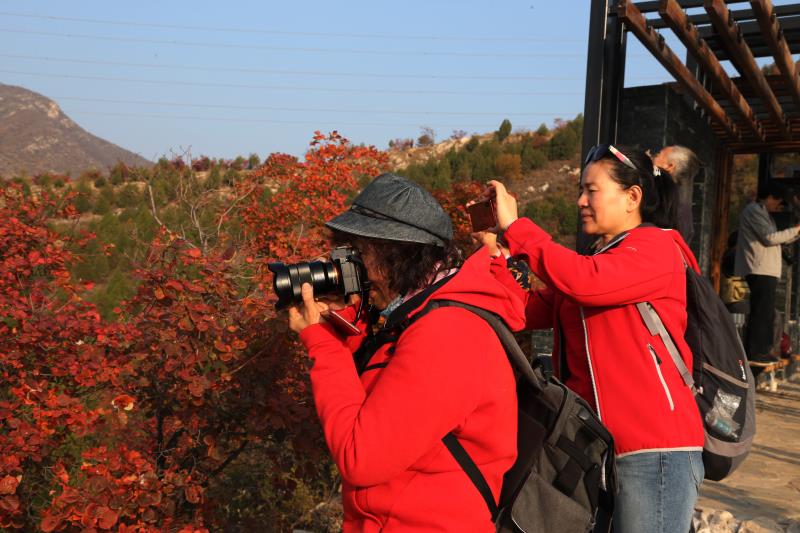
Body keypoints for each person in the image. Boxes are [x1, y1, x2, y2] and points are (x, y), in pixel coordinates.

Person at [287, 173, 525, 532]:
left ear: (395, 255)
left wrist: (323, 341)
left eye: (358, 254)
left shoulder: (449, 332)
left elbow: (361, 457)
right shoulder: (416, 314)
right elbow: (377, 395)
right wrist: (347, 323)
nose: (350, 267)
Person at [484, 145, 705, 533]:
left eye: (592, 190)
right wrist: (494, 256)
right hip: (597, 446)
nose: (581, 201)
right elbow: (527, 310)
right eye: (580, 191)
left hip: (652, 450)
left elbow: (584, 282)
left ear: (632, 197)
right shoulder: (601, 259)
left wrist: (518, 228)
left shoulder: (656, 248)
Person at [734, 182, 800, 363]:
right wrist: (796, 229)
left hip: (765, 268)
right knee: (761, 311)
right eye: (778, 201)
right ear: (770, 197)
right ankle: (756, 351)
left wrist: (795, 233)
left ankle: (764, 349)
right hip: (760, 267)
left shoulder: (762, 212)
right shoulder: (754, 210)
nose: (778, 206)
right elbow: (770, 238)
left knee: (765, 311)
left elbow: (774, 239)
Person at [653, 145, 701, 244]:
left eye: (657, 155)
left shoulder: (663, 199)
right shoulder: (682, 206)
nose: (653, 158)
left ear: (670, 166)